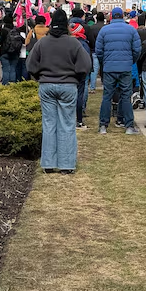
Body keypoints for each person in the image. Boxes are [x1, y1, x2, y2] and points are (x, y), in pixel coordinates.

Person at [27, 9, 92, 174]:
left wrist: (40, 77)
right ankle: (66, 165)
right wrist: (76, 78)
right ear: (66, 24)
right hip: (68, 86)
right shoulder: (73, 43)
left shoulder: (42, 43)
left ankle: (48, 163)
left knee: (49, 124)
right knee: (67, 124)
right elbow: (86, 65)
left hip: (46, 85)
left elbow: (30, 64)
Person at [96, 7, 142, 134]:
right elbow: (137, 49)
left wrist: (104, 62)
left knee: (107, 96)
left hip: (109, 67)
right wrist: (131, 61)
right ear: (122, 16)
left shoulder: (104, 30)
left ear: (111, 16)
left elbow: (99, 50)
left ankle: (103, 126)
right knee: (126, 96)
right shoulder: (131, 30)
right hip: (125, 67)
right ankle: (129, 126)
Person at [70, 21, 91, 128]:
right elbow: (86, 59)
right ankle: (79, 119)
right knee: (79, 96)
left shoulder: (68, 42)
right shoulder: (83, 43)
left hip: (69, 73)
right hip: (81, 72)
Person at [0, 16, 24, 85]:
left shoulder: (4, 30)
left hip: (5, 52)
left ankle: (6, 85)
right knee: (13, 69)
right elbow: (23, 40)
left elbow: (0, 41)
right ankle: (12, 84)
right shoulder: (16, 30)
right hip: (15, 53)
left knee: (6, 69)